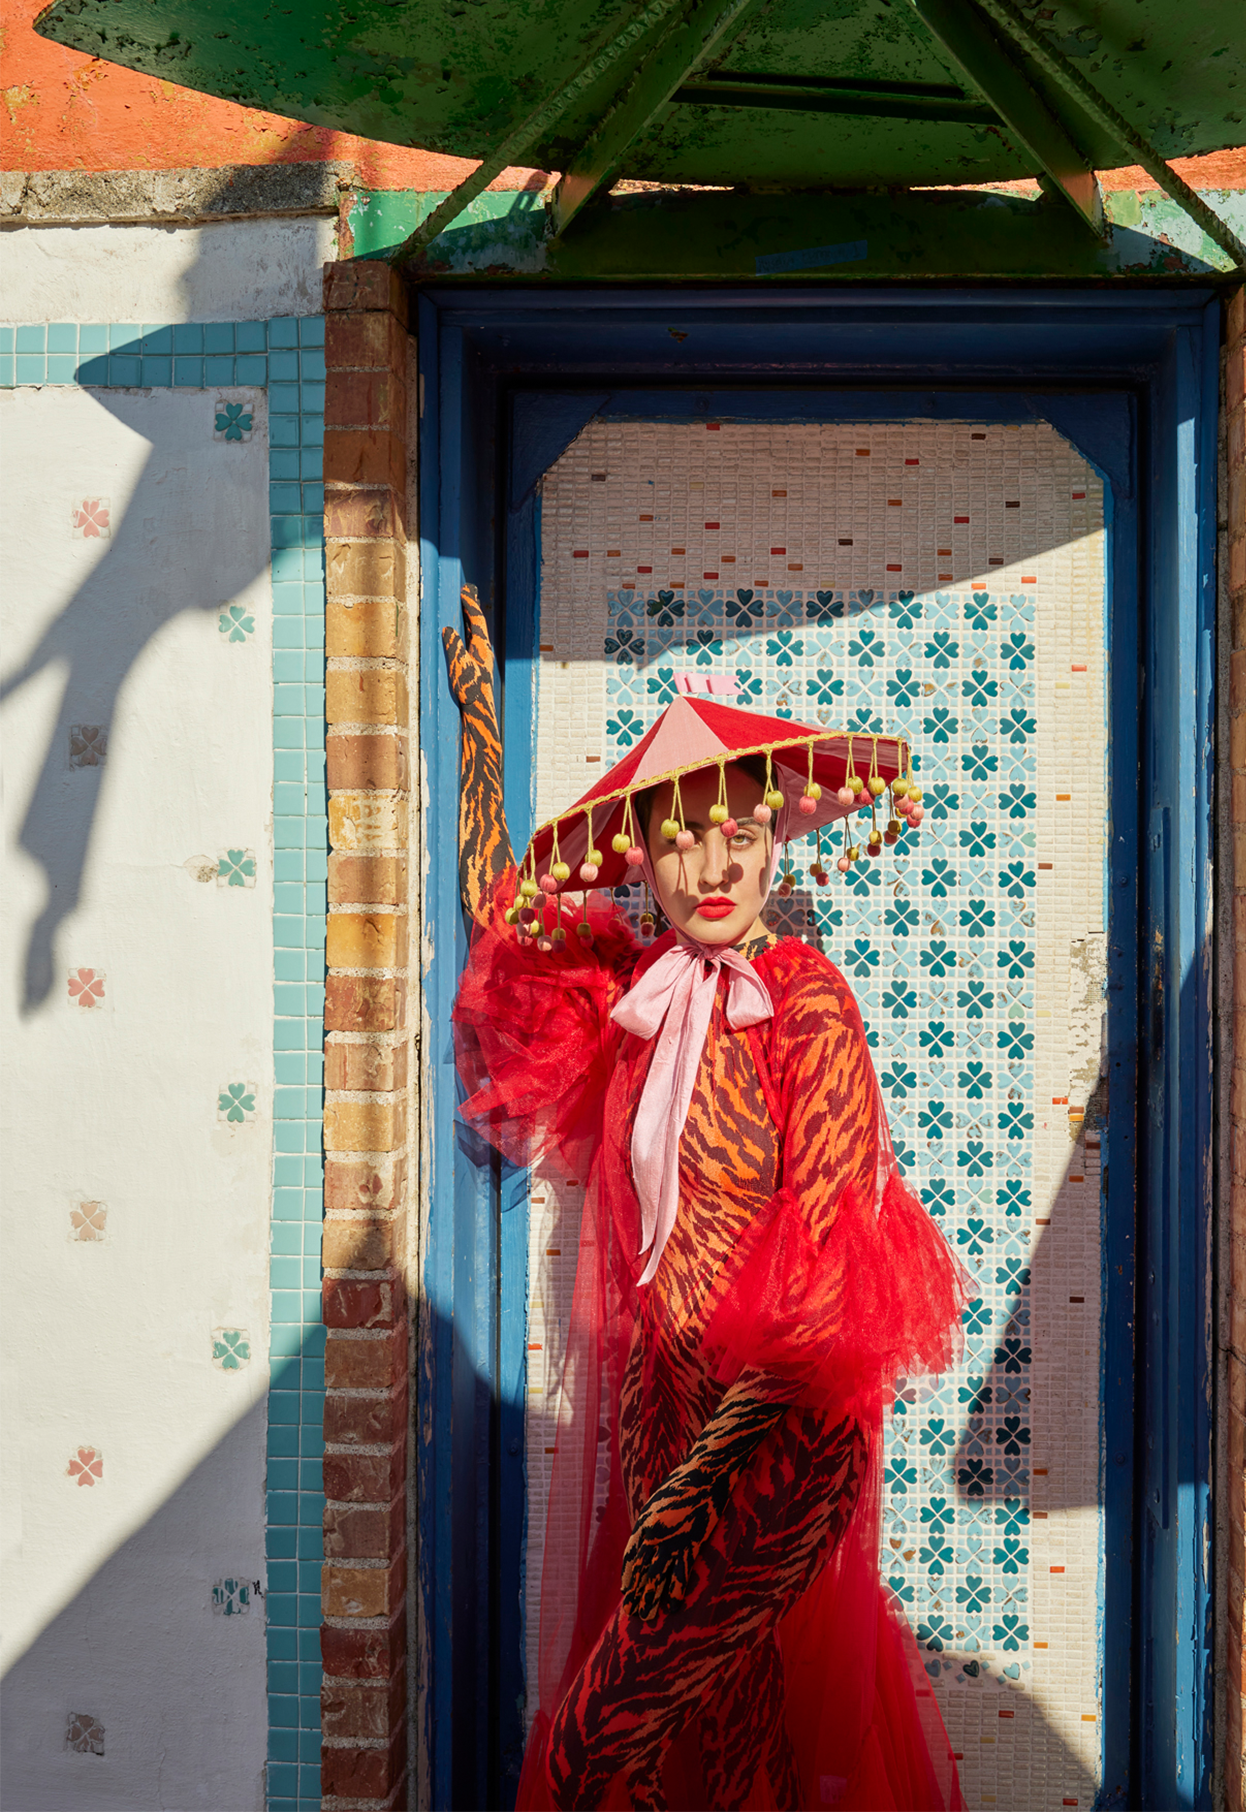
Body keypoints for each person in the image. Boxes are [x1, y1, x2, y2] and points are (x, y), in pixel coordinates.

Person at [444, 586, 967, 1812]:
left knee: (591, 1752)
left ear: (776, 835)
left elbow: (837, 1249)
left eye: (738, 830)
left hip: (774, 1431)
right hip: (664, 1415)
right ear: (641, 855)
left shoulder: (806, 999)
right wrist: (476, 737)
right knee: (732, 1736)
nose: (715, 862)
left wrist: (710, 1477)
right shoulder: (634, 999)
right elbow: (504, 915)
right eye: (679, 836)